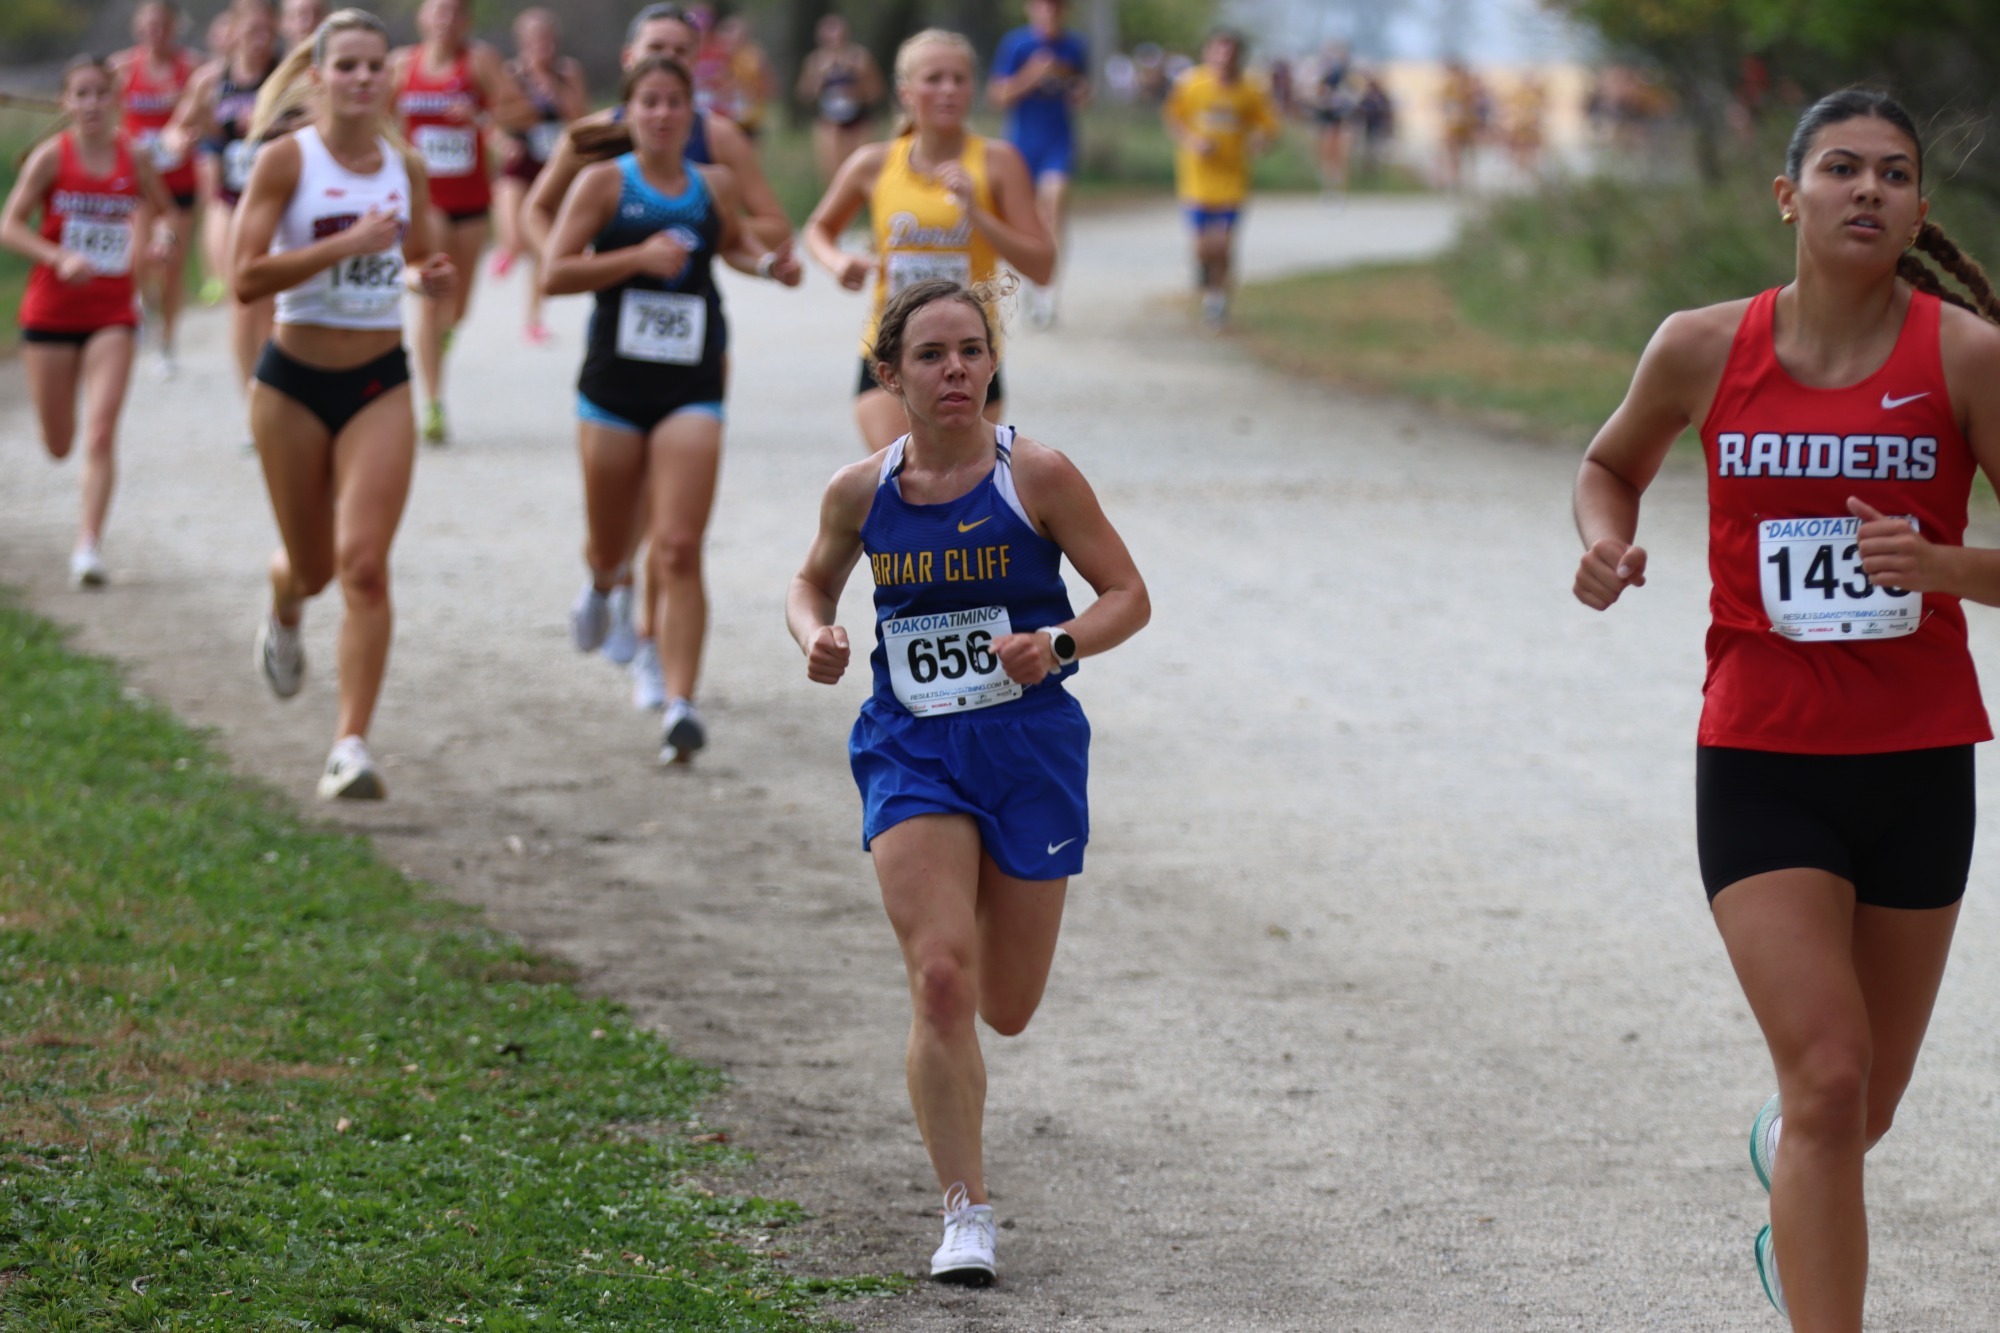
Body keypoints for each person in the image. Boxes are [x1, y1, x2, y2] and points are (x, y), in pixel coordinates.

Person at [1570, 89, 2000, 1327]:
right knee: (1827, 1075)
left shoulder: (1964, 359)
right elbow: (1609, 464)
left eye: (1893, 174)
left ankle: (1792, 1184)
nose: (1866, 189)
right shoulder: (1701, 346)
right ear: (1787, 195)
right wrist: (1605, 542)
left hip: (1918, 761)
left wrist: (1948, 568)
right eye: (1840, 168)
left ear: (1919, 207)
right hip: (1760, 756)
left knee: (1859, 1105)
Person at [786, 277, 1149, 1284]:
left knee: (1007, 1005)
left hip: (1028, 748)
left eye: (970, 351)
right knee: (940, 978)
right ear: (888, 374)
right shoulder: (860, 490)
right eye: (932, 354)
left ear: (991, 364)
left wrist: (1062, 642)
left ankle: (973, 1038)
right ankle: (964, 1212)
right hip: (911, 749)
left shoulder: (1035, 475)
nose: (954, 370)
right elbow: (811, 578)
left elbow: (1128, 595)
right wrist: (814, 631)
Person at [525, 1, 796, 708]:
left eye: (677, 94)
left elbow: (747, 232)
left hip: (694, 369)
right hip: (615, 370)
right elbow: (542, 225)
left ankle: (674, 691)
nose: (664, 110)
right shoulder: (598, 157)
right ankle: (606, 583)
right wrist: (625, 255)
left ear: (692, 88)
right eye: (651, 95)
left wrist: (771, 262)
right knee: (614, 533)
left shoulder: (720, 157)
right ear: (631, 77)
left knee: (678, 539)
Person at [231, 6, 455, 799]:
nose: (363, 78)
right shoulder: (287, 162)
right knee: (315, 567)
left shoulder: (408, 167)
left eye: (375, 65)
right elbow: (244, 277)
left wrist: (427, 279)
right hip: (291, 381)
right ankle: (285, 598)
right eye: (347, 65)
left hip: (377, 382)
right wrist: (344, 244)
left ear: (389, 76)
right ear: (318, 75)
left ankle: (349, 745)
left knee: (363, 566)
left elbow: (425, 260)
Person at [805, 29, 1054, 454]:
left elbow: (1043, 266)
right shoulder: (874, 162)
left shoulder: (997, 163)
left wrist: (977, 213)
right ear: (905, 92)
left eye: (959, 79)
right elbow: (817, 229)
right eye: (934, 78)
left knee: (955, 497)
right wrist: (837, 262)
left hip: (971, 357)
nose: (948, 90)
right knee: (903, 484)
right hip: (891, 350)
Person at [2, 55, 179, 588]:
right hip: (51, 312)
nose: (92, 104)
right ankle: (68, 468)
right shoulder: (51, 159)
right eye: (81, 94)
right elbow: (9, 226)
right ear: (66, 103)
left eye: (101, 94)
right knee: (60, 442)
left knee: (100, 434)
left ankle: (88, 547)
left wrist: (163, 237)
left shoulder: (135, 157)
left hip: (112, 313)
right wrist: (57, 258)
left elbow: (167, 211)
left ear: (116, 100)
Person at [390, 0, 534, 444]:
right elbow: (378, 119)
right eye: (437, 11)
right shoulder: (401, 65)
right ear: (422, 17)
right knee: (433, 295)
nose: (444, 20)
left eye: (454, 12)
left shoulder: (480, 62)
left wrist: (483, 118)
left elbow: (523, 112)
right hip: (424, 200)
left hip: (471, 201)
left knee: (459, 304)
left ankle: (442, 336)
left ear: (466, 20)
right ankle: (433, 404)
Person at [166, 0, 282, 398]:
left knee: (269, 306)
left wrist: (275, 123)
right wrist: (180, 139)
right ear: (233, 33)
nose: (259, 42)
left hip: (278, 204)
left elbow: (320, 119)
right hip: (229, 200)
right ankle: (251, 396)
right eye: (251, 32)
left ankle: (271, 391)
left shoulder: (287, 75)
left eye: (267, 32)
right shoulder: (211, 79)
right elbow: (177, 126)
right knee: (242, 298)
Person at [1162, 27, 1278, 331]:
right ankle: (1203, 270)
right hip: (1197, 179)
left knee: (1224, 243)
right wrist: (1192, 141)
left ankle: (1217, 301)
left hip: (1232, 179)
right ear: (1208, 53)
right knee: (1203, 246)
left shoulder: (1250, 90)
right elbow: (1173, 118)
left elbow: (1268, 126)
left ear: (1239, 56)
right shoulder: (1191, 84)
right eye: (1218, 50)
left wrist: (1260, 142)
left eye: (1230, 52)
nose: (1224, 58)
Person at [111, 0, 199, 378]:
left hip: (179, 182)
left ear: (175, 26)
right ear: (138, 27)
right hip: (139, 182)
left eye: (162, 24)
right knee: (136, 258)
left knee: (171, 264)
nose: (155, 31)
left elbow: (203, 117)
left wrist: (187, 137)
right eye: (148, 24)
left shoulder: (192, 68)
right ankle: (140, 306)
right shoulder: (121, 68)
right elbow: (110, 121)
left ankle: (167, 343)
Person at [988, 0, 1088, 328]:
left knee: (1054, 206)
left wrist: (1081, 93)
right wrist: (1031, 75)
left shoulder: (1074, 46)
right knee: (1024, 219)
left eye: (1057, 7)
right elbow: (998, 96)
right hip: (1021, 145)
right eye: (1043, 7)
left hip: (1058, 143)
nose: (1049, 13)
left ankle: (1048, 291)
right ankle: (1031, 279)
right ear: (1031, 9)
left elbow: (1082, 91)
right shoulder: (1016, 44)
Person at [490, 6, 586, 343]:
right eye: (534, 39)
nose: (540, 45)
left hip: (553, 168)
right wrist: (502, 142)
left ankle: (533, 319)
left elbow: (578, 118)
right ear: (523, 41)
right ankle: (507, 250)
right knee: (516, 235)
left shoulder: (567, 72)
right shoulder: (511, 73)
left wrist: (552, 88)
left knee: (540, 247)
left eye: (545, 39)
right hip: (519, 164)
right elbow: (492, 118)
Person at [795, 14, 881, 187]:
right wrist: (819, 81)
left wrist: (856, 88)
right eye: (829, 33)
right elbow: (803, 95)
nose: (834, 38)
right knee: (832, 171)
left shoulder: (860, 57)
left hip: (859, 120)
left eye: (838, 32)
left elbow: (876, 91)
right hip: (829, 121)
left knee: (860, 166)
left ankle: (863, 204)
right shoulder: (815, 61)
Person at [1306, 41, 1353, 196]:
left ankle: (1337, 187)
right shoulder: (1320, 73)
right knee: (1324, 150)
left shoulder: (1344, 74)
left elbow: (1349, 95)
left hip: (1338, 116)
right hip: (1325, 116)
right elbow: (1315, 94)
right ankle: (1327, 185)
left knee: (1338, 151)